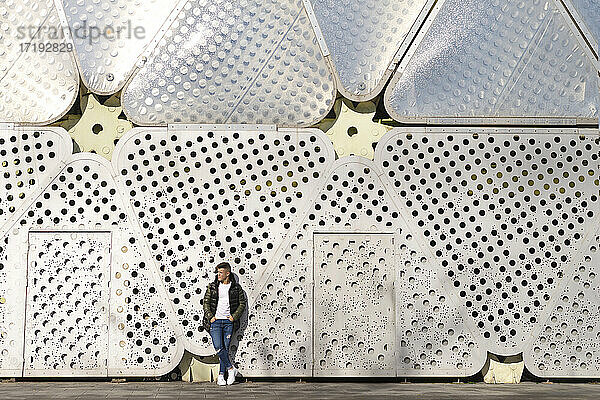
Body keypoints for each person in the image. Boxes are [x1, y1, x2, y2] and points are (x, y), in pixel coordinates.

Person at [203, 261, 247, 385]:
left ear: (228, 273)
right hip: (215, 322)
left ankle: (221, 376)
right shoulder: (212, 286)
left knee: (225, 349)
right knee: (219, 347)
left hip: (228, 322)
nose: (218, 275)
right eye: (218, 272)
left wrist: (234, 317)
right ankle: (231, 369)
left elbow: (242, 304)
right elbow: (206, 303)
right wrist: (210, 317)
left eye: (221, 272)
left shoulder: (236, 288)